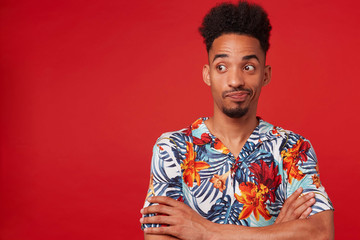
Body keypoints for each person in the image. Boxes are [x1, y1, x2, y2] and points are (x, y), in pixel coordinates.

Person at [140, 1, 334, 239]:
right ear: (207, 74)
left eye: (248, 67)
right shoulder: (172, 149)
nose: (235, 80)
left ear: (265, 75)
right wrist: (277, 233)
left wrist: (203, 231)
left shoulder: (293, 149)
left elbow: (321, 232)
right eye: (221, 67)